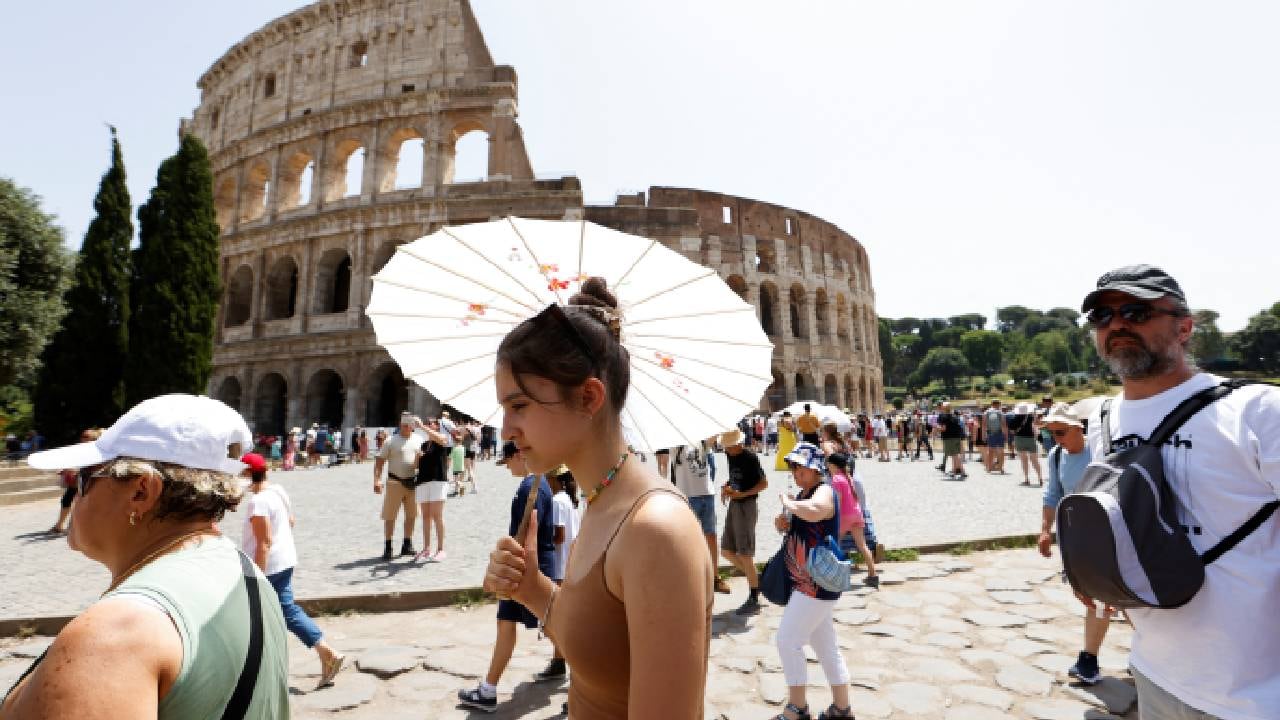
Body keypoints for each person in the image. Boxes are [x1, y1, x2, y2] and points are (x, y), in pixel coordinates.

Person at [482, 278, 713, 718]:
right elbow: (598, 649)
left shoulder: (655, 531)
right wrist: (531, 589)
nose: (506, 430)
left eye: (520, 406)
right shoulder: (602, 501)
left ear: (588, 397)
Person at [4, 394, 289, 718]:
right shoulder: (245, 571)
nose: (75, 494)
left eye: (85, 478)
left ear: (141, 492)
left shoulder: (115, 636)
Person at [1079, 264, 1279, 719]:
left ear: (1185, 327)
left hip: (1254, 695)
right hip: (1155, 672)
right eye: (1102, 317)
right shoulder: (1103, 420)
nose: (1117, 325)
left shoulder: (1257, 412)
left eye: (1136, 311)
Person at [458, 442, 557, 712]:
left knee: (552, 625)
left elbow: (526, 534)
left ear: (518, 456)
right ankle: (489, 689)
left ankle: (581, 679)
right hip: (525, 564)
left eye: (509, 462)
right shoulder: (537, 485)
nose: (508, 468)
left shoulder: (531, 486)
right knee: (509, 622)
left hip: (523, 567)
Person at [240, 452, 346, 688]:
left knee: (279, 613)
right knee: (281, 611)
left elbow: (263, 542)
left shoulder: (258, 502)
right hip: (286, 559)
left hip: (270, 566)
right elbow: (291, 521)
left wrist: (257, 575)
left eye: (240, 473)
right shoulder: (278, 491)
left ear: (248, 474)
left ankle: (326, 652)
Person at [772, 442, 854, 720]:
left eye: (801, 466)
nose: (796, 472)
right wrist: (783, 521)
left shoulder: (825, 490)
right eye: (793, 467)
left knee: (787, 640)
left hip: (815, 583)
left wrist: (789, 504)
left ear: (816, 468)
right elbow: (799, 519)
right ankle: (841, 709)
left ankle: (797, 708)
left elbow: (817, 511)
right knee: (825, 646)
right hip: (807, 581)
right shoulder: (804, 492)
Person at [1034, 402, 1109, 686]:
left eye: (1061, 432)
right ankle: (1093, 659)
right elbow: (1052, 493)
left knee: (1111, 597)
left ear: (1079, 428)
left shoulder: (1100, 451)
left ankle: (1091, 659)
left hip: (1106, 536)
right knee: (1098, 596)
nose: (1056, 438)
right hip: (1076, 538)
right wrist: (1045, 530)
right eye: (1052, 432)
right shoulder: (1055, 456)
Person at [659, 441, 729, 594]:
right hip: (687, 496)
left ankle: (714, 577)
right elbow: (663, 462)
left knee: (711, 536)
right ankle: (689, 578)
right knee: (688, 539)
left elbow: (714, 456)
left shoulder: (702, 441)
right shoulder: (675, 443)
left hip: (707, 494)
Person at [718, 429, 768, 615]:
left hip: (747, 506)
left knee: (745, 553)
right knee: (726, 551)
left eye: (729, 446)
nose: (726, 450)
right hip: (735, 504)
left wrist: (743, 494)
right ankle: (756, 577)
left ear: (738, 444)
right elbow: (737, 478)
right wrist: (727, 486)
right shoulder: (730, 455)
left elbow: (764, 483)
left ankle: (754, 597)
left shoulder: (750, 458)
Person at [539, 463, 581, 681]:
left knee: (554, 619)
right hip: (569, 564)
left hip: (557, 564)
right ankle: (558, 660)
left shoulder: (556, 502)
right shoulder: (572, 501)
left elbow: (560, 536)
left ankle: (563, 660)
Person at [825, 452, 877, 587]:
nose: (827, 467)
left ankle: (834, 575)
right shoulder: (848, 477)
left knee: (834, 545)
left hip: (844, 516)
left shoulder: (836, 478)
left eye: (828, 464)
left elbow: (838, 500)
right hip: (856, 513)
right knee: (863, 546)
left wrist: (832, 515)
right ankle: (873, 574)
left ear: (833, 465)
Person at [372, 413, 419, 561]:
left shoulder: (419, 440)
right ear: (400, 425)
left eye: (409, 425)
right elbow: (380, 461)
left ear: (413, 426)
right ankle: (388, 546)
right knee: (390, 516)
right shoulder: (390, 441)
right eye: (404, 425)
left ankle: (407, 543)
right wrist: (377, 480)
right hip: (395, 483)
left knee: (412, 515)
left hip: (413, 483)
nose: (406, 428)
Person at [413, 417, 453, 562]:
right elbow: (416, 466)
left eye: (432, 423)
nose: (429, 425)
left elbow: (442, 440)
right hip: (423, 481)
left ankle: (441, 549)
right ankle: (426, 548)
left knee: (437, 516)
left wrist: (422, 426)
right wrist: (417, 457)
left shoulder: (442, 438)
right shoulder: (424, 445)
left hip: (437, 481)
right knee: (425, 517)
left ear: (437, 426)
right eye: (428, 422)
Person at [50, 428, 100, 534]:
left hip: (91, 482)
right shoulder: (81, 449)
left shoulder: (97, 450)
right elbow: (77, 463)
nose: (83, 439)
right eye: (83, 436)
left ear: (94, 439)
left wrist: (75, 470)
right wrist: (66, 469)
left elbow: (95, 467)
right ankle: (59, 525)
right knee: (67, 500)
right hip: (78, 480)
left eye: (86, 437)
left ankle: (79, 528)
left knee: (83, 504)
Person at [1009, 402, 1044, 486]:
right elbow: (1039, 424)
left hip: (1019, 439)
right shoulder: (1031, 417)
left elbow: (1011, 430)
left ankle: (1026, 479)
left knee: (1024, 460)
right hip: (1030, 439)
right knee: (1034, 460)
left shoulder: (1015, 418)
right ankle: (1040, 478)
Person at [934, 402, 968, 479]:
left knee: (954, 455)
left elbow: (943, 429)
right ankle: (955, 471)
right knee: (955, 455)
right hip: (957, 437)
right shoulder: (955, 416)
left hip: (949, 438)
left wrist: (936, 427)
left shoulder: (944, 417)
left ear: (943, 408)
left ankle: (962, 471)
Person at [982, 400, 1009, 473]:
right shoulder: (1001, 413)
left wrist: (983, 436)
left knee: (990, 451)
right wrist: (1006, 435)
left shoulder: (986, 412)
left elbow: (984, 425)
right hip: (999, 433)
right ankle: (1000, 468)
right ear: (999, 404)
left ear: (991, 404)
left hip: (990, 433)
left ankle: (989, 468)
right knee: (1001, 451)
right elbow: (1004, 425)